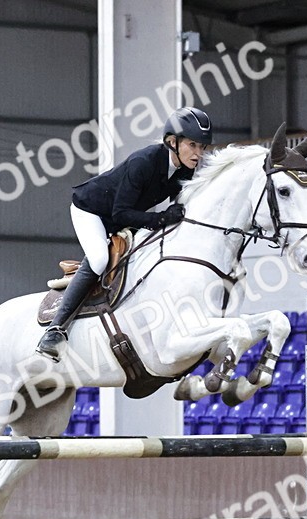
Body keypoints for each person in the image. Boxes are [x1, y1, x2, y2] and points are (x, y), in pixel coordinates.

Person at [35, 107, 213, 361]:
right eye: (192, 145)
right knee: (98, 259)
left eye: (202, 147)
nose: (198, 153)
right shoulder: (144, 162)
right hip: (92, 211)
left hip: (128, 215)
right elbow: (120, 214)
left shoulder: (186, 169)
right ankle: (55, 330)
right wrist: (161, 219)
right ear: (172, 142)